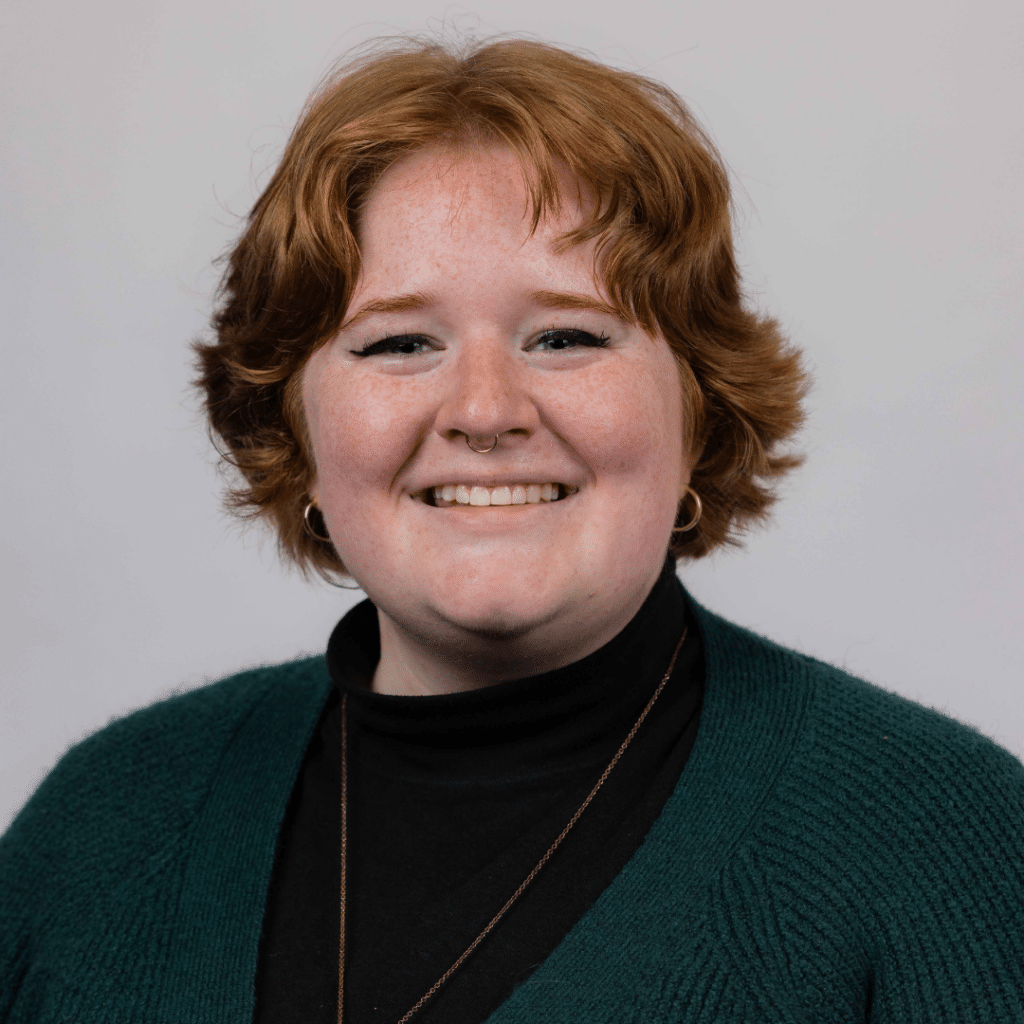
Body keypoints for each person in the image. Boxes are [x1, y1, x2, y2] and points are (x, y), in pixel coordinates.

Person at [1, 35, 1022, 1024]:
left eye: (565, 335)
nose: (484, 411)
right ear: (294, 429)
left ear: (700, 405)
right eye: (399, 342)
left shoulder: (942, 842)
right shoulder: (104, 822)